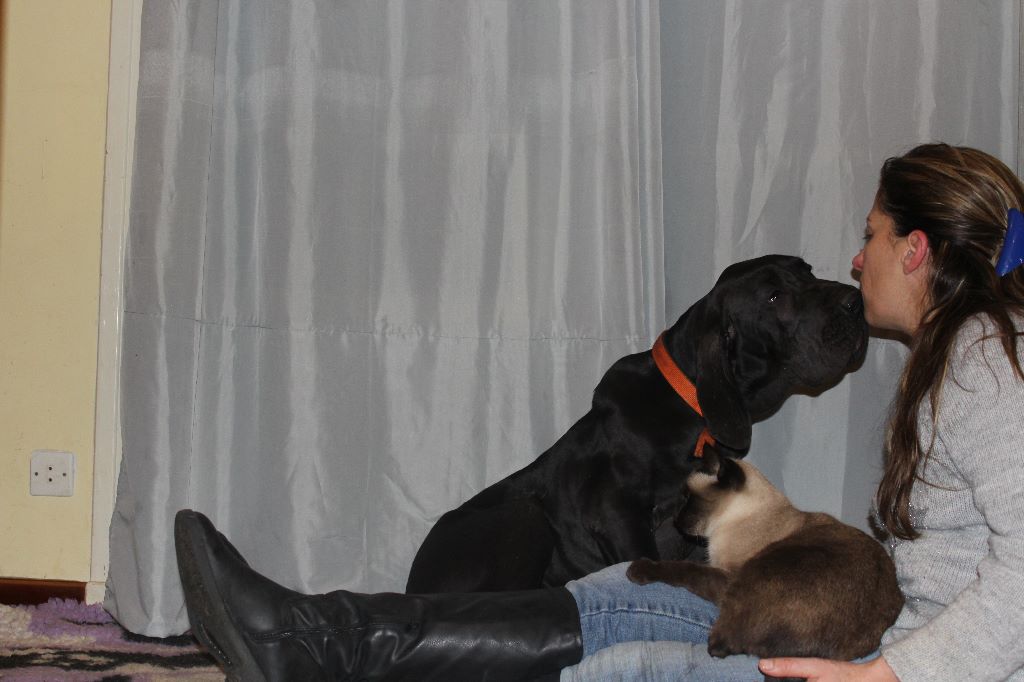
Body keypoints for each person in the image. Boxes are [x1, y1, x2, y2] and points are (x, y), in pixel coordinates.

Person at [174, 143, 1024, 681]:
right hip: (871, 639)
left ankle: (313, 639)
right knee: (620, 588)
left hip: (886, 660)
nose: (858, 257)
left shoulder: (983, 368)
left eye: (872, 234)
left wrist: (891, 675)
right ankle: (313, 632)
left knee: (628, 662)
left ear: (915, 250)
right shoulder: (968, 355)